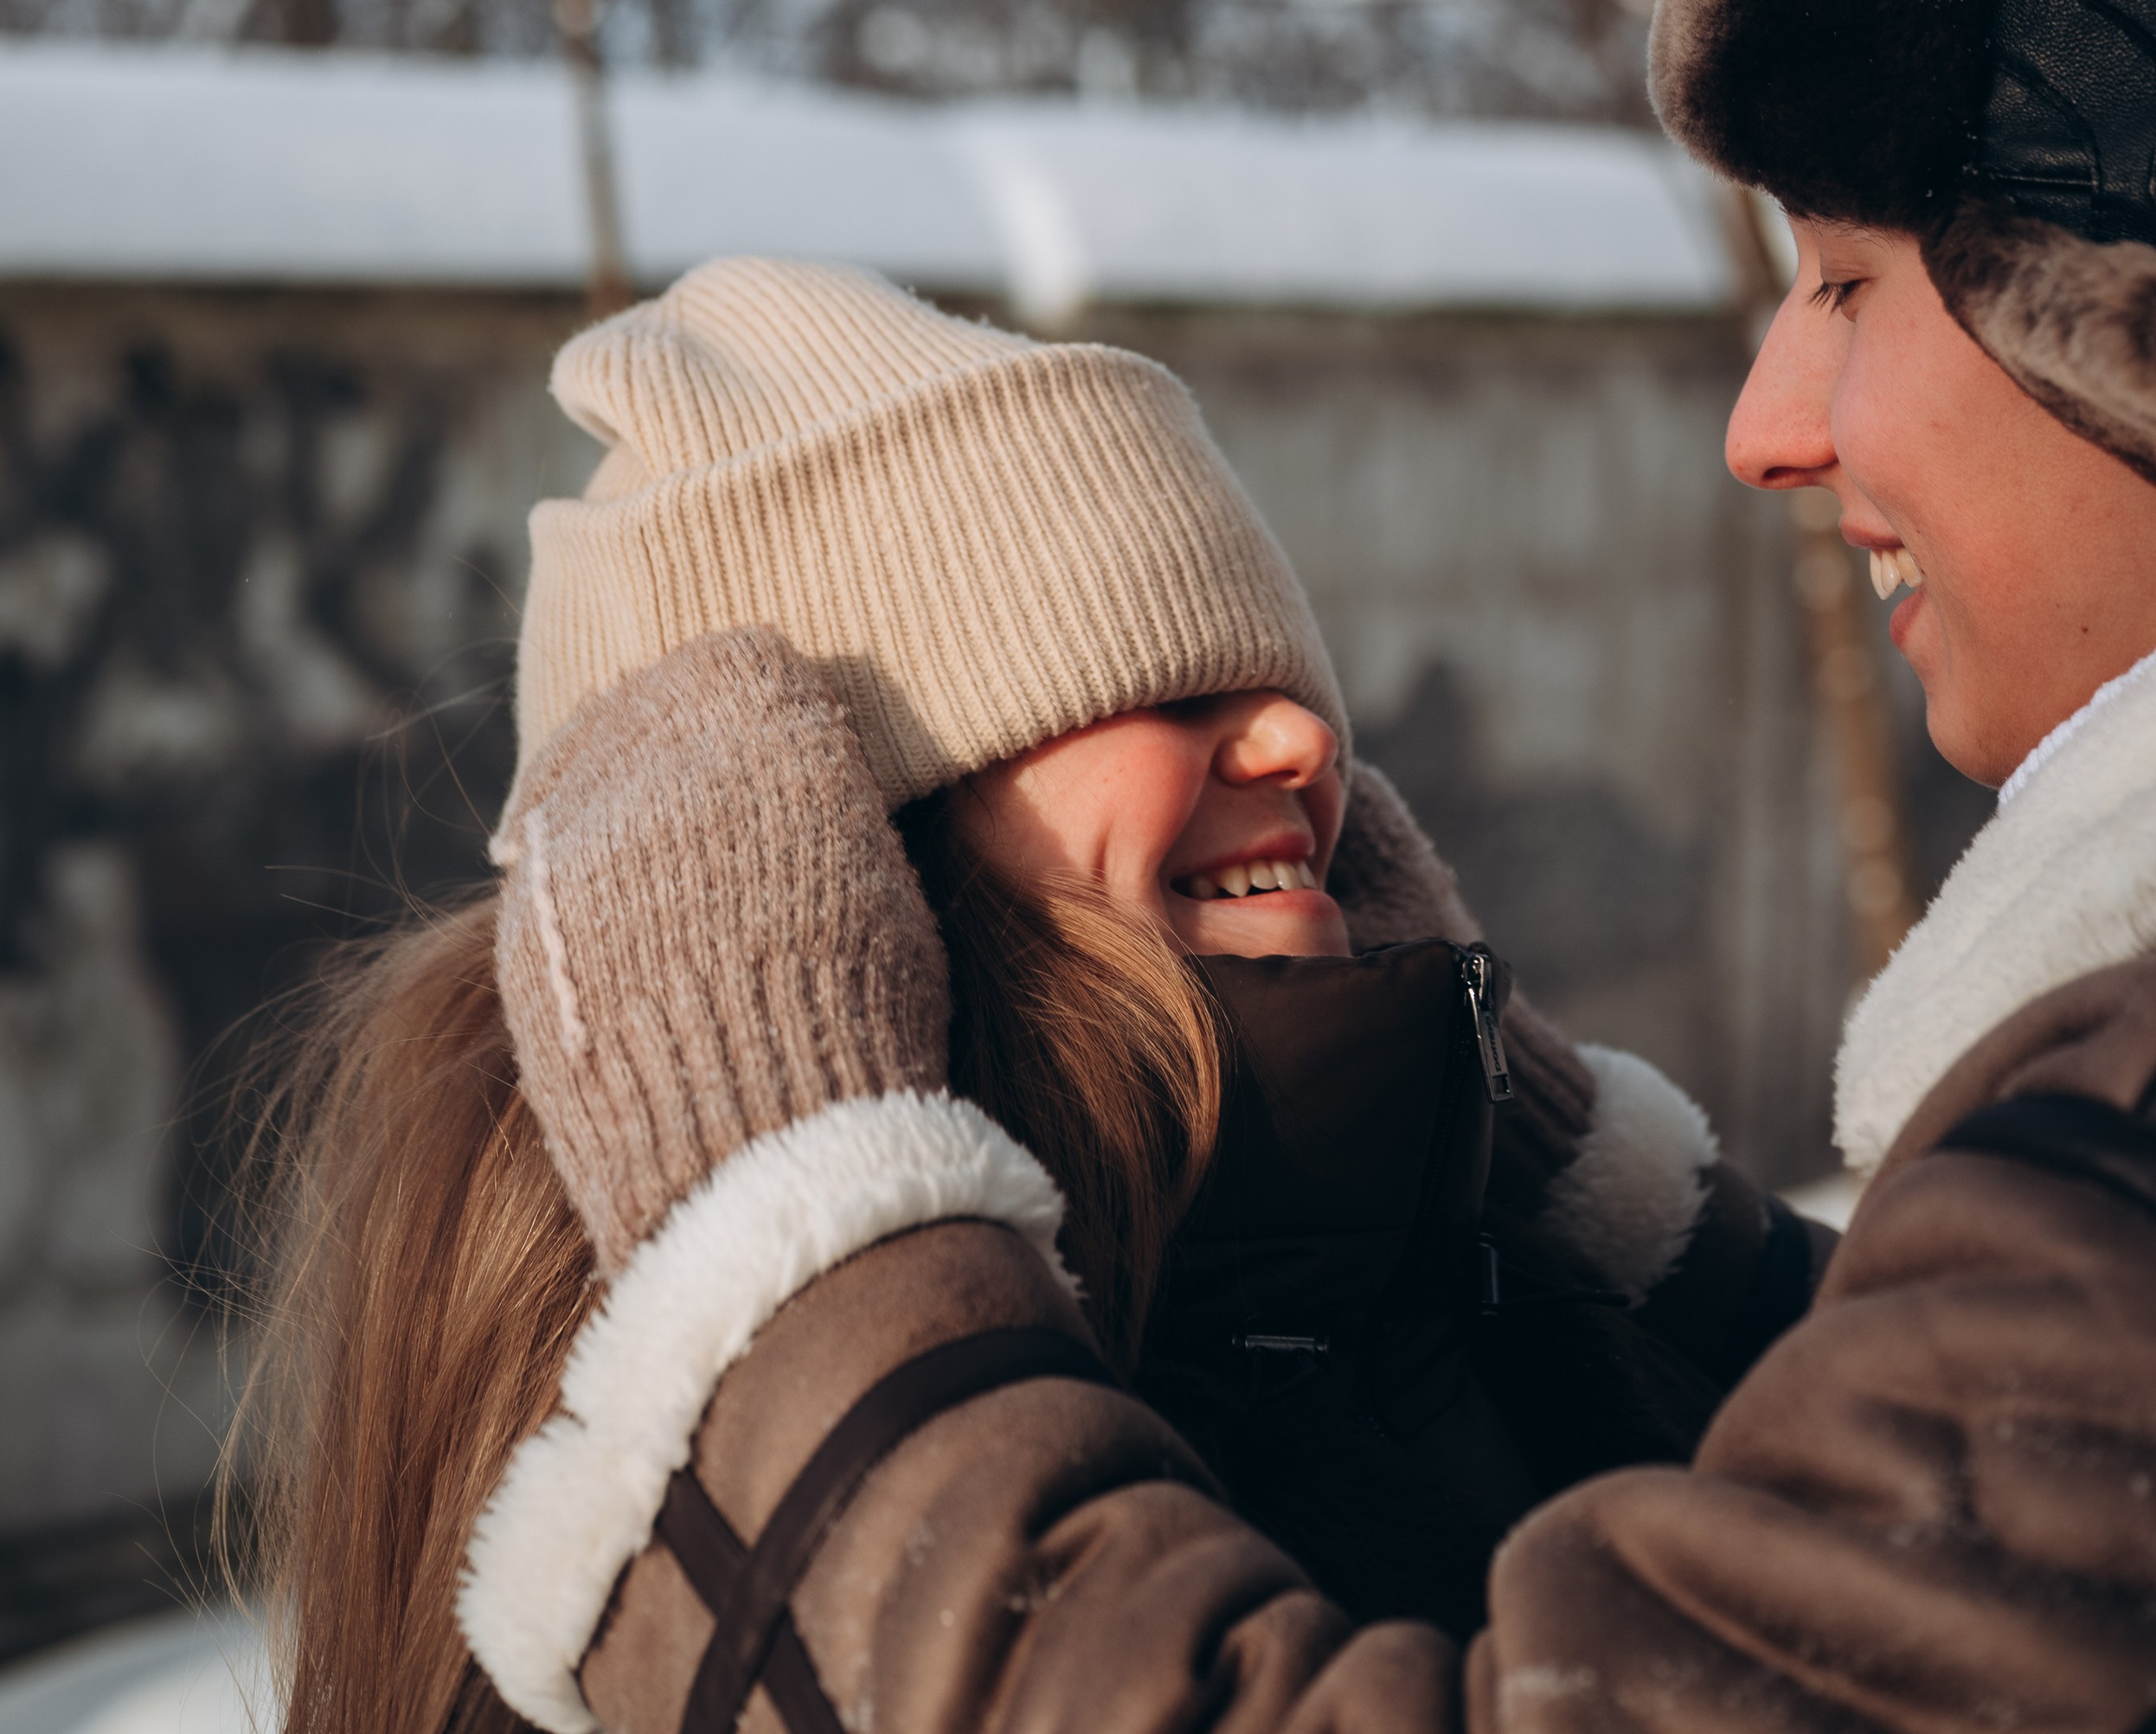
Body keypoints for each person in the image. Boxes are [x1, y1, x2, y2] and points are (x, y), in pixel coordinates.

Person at [461, 0, 2156, 1734]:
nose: (1762, 425)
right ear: (834, 854)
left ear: (2134, 315)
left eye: (1842, 280)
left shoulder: (2153, 1123)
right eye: (1134, 675)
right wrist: (1632, 1246)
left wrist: (795, 1276)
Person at [241, 260, 1806, 1734]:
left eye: (1281, 679)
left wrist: (1553, 1182)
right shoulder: (657, 1584)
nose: (1310, 749)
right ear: (839, 851)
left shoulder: (1459, 1297)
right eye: (1175, 682)